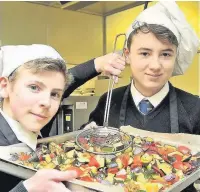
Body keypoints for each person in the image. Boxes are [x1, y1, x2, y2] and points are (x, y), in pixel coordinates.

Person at [83, 2, 199, 191]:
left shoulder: (194, 107)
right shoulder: (109, 101)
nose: (155, 65)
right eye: (145, 53)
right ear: (127, 55)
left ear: (176, 56)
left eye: (166, 54)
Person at [0, 44, 125, 192]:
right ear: (5, 87)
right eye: (34, 87)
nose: (46, 103)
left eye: (55, 94)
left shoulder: (35, 121)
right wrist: (26, 188)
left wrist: (98, 64)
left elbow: (70, 80)